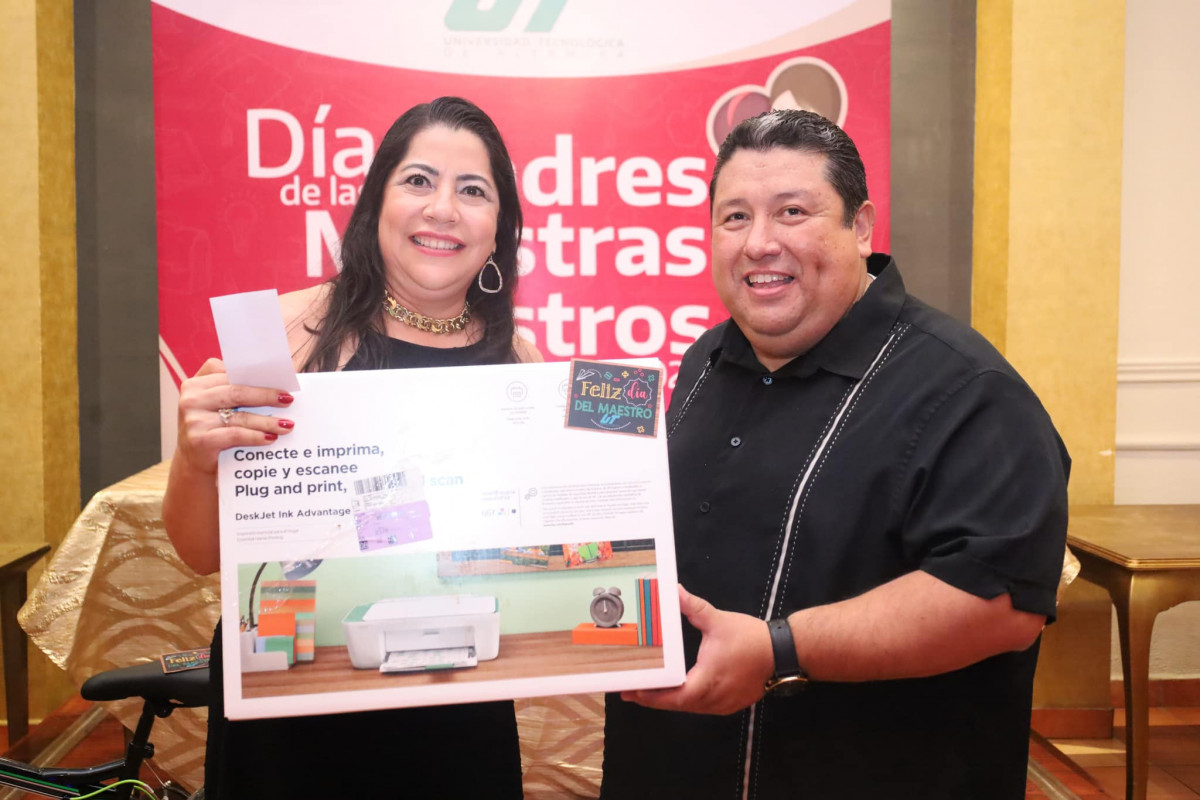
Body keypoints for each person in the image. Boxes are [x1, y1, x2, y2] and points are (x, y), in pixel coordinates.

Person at [600, 110, 1070, 799]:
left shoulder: (969, 390)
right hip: (670, 766)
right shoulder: (705, 360)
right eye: (735, 218)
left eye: (792, 212)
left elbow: (1001, 603)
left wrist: (779, 651)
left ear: (862, 226)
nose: (759, 242)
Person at [163, 96, 540, 799]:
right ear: (376, 204)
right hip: (292, 706)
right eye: (418, 180)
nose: (442, 209)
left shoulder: (520, 365)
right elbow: (200, 553)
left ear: (499, 230)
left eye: (473, 191)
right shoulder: (281, 333)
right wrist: (193, 459)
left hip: (454, 702)